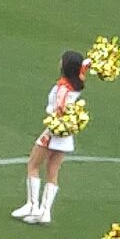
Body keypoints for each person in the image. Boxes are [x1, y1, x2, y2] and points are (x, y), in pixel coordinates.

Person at [14, 50, 88, 225]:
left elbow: (59, 108)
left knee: (33, 165)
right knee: (53, 171)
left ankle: (32, 205)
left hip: (54, 131)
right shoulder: (77, 83)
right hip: (67, 133)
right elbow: (85, 66)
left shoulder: (63, 88)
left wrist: (55, 126)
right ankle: (45, 211)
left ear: (65, 66)